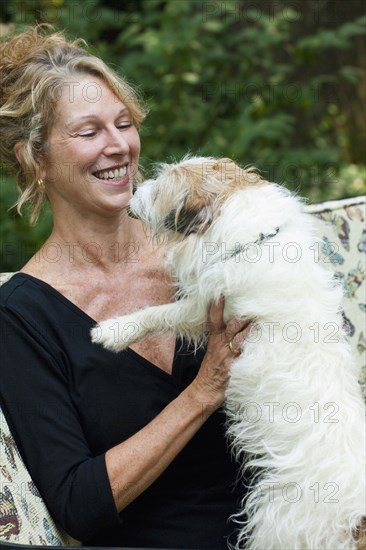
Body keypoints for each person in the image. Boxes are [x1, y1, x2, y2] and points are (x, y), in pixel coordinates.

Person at [0, 25, 249, 548]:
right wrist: (204, 390)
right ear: (33, 157)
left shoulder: (204, 243)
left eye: (123, 124)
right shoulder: (21, 315)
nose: (118, 147)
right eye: (89, 133)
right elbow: (76, 505)